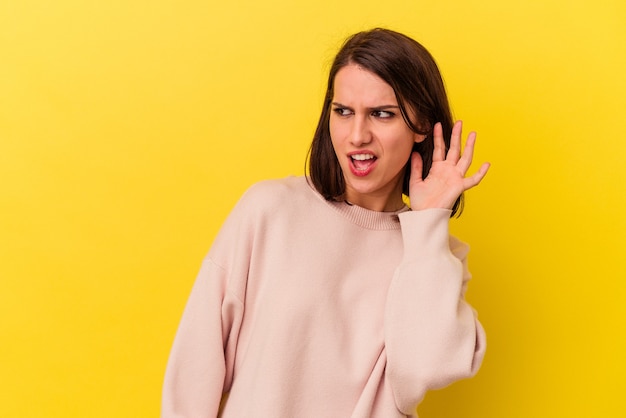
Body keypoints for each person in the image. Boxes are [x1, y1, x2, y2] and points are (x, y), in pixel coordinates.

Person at [162, 28, 490, 418]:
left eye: (382, 114)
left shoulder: (435, 255)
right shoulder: (270, 211)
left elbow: (424, 369)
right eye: (343, 111)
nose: (357, 136)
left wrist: (427, 223)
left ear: (421, 124)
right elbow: (197, 363)